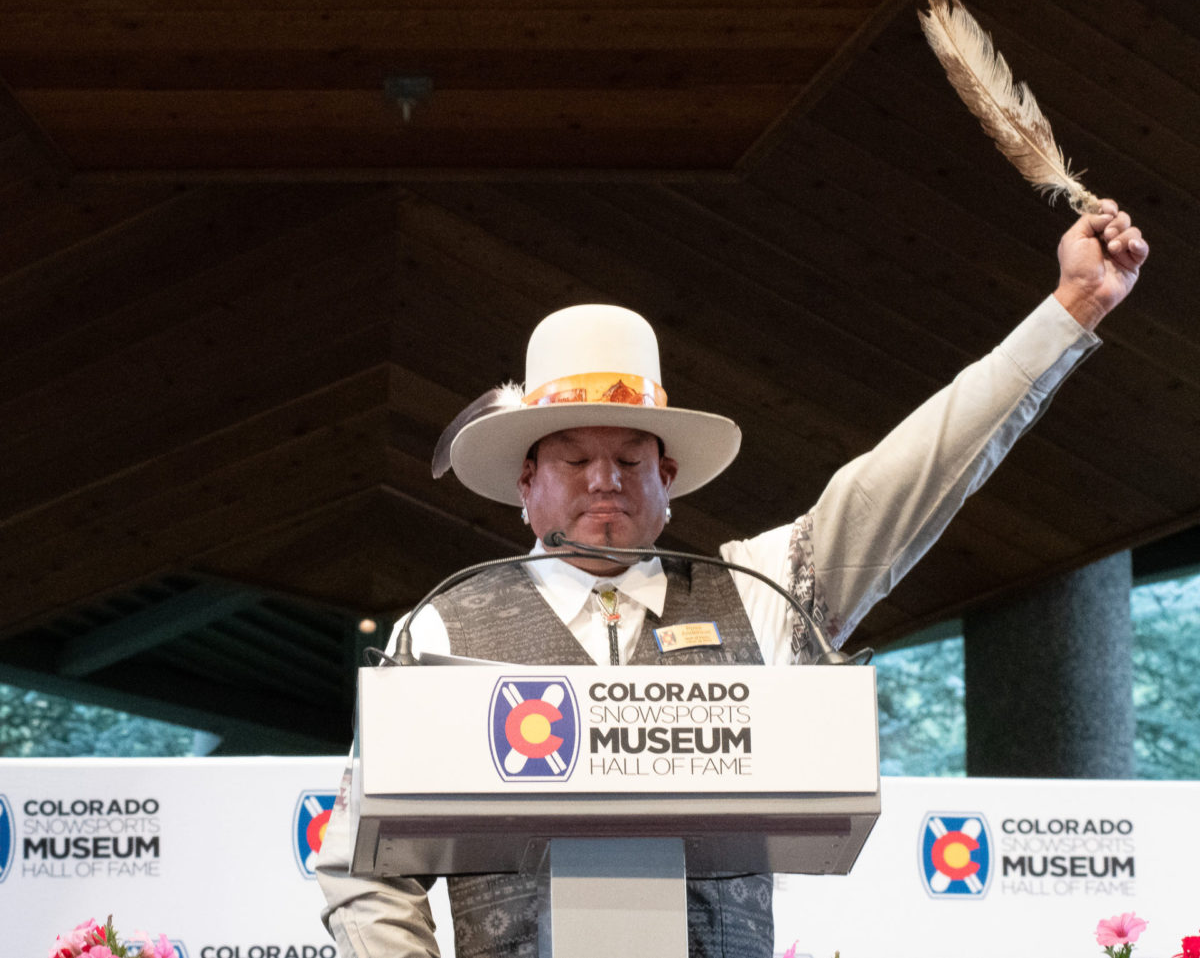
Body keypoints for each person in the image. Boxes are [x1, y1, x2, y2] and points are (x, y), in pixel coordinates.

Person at [317, 201, 1148, 957]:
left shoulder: (761, 588)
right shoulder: (439, 627)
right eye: (575, 457)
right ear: (524, 484)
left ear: (668, 481)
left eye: (631, 459)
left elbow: (911, 476)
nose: (604, 479)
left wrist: (1067, 313)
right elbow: (362, 863)